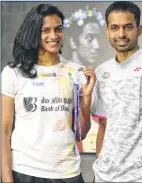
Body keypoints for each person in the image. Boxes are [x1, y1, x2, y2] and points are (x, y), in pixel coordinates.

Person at [1, 4, 96, 183]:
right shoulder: (13, 73)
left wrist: (87, 99)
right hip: (25, 170)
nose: (54, 36)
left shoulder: (76, 72)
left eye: (58, 29)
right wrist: (6, 178)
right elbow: (4, 131)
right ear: (34, 33)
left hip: (66, 172)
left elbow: (81, 134)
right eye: (46, 30)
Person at [92, 1, 142, 182]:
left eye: (128, 27)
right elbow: (103, 126)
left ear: (139, 29)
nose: (121, 34)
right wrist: (99, 165)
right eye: (115, 27)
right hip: (104, 176)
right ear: (107, 32)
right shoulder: (102, 71)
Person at [62, 6, 106, 153]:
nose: (97, 46)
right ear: (73, 41)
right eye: (89, 38)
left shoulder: (101, 74)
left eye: (98, 39)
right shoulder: (59, 75)